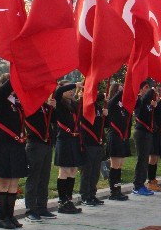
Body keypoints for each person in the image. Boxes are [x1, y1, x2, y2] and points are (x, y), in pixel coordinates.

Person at [0, 74, 29, 229]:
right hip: (3, 146)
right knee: (3, 182)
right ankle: (2, 217)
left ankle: (10, 216)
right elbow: (3, 91)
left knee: (13, 182)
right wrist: (17, 72)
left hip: (16, 146)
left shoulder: (16, 103)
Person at [24, 95, 57, 221]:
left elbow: (53, 120)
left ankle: (42, 207)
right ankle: (30, 210)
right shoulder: (31, 104)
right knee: (34, 177)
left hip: (46, 144)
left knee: (44, 177)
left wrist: (52, 108)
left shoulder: (45, 106)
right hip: (35, 143)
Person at [54, 80, 85, 214]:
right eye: (69, 89)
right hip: (64, 140)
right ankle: (62, 201)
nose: (71, 91)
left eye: (72, 89)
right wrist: (75, 85)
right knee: (64, 171)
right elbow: (59, 91)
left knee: (73, 170)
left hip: (73, 140)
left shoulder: (73, 104)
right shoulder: (59, 102)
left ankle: (69, 199)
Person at [79, 92, 108, 206]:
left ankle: (92, 194)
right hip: (88, 142)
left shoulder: (98, 107)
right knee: (87, 170)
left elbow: (103, 124)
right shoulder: (86, 106)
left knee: (95, 171)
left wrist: (106, 115)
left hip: (98, 142)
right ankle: (85, 195)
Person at [105, 83, 130, 201]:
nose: (122, 93)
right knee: (115, 165)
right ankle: (113, 191)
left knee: (120, 164)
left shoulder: (121, 105)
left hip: (122, 137)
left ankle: (118, 189)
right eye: (119, 91)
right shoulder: (111, 103)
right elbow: (111, 102)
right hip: (114, 136)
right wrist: (122, 91)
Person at [132, 81, 156, 196]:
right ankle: (137, 186)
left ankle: (141, 184)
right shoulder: (139, 100)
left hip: (147, 133)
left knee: (145, 159)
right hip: (141, 132)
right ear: (140, 89)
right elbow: (139, 109)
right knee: (141, 159)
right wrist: (153, 88)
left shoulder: (148, 102)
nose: (148, 90)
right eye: (145, 87)